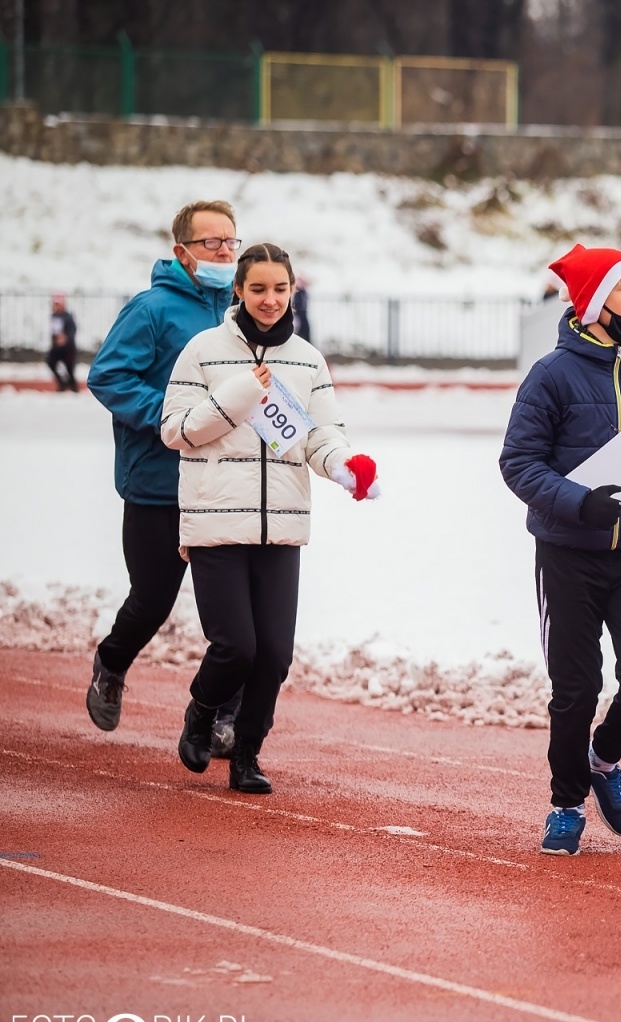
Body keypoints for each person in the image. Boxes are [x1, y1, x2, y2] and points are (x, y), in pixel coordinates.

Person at [160, 243, 378, 794]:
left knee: (275, 653)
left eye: (280, 289)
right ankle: (202, 711)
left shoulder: (306, 359)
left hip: (281, 524)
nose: (270, 300)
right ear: (238, 291)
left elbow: (319, 436)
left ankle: (247, 755)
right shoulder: (203, 351)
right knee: (236, 644)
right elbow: (175, 430)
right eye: (258, 289)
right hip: (215, 521)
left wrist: (346, 466)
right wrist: (236, 397)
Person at [500, 244, 621, 857]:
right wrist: (577, 502)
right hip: (568, 555)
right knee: (575, 689)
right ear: (592, 303)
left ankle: (603, 760)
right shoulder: (550, 375)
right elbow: (518, 463)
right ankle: (565, 805)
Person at [85, 200, 241, 745]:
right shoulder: (151, 310)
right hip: (157, 483)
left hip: (223, 482)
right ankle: (111, 661)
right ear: (182, 252)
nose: (225, 251)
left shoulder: (239, 312)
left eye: (230, 241)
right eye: (211, 243)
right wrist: (173, 419)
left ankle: (224, 715)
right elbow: (107, 376)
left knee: (234, 611)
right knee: (152, 597)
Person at [47, 293, 79, 392]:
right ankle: (62, 383)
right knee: (51, 363)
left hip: (68, 347)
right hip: (57, 347)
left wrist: (66, 338)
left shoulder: (68, 317)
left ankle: (73, 387)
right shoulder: (54, 317)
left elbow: (73, 330)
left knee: (70, 369)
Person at [291, 275, 312, 344]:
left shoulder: (304, 292)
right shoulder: (298, 292)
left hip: (303, 314)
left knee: (305, 330)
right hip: (299, 314)